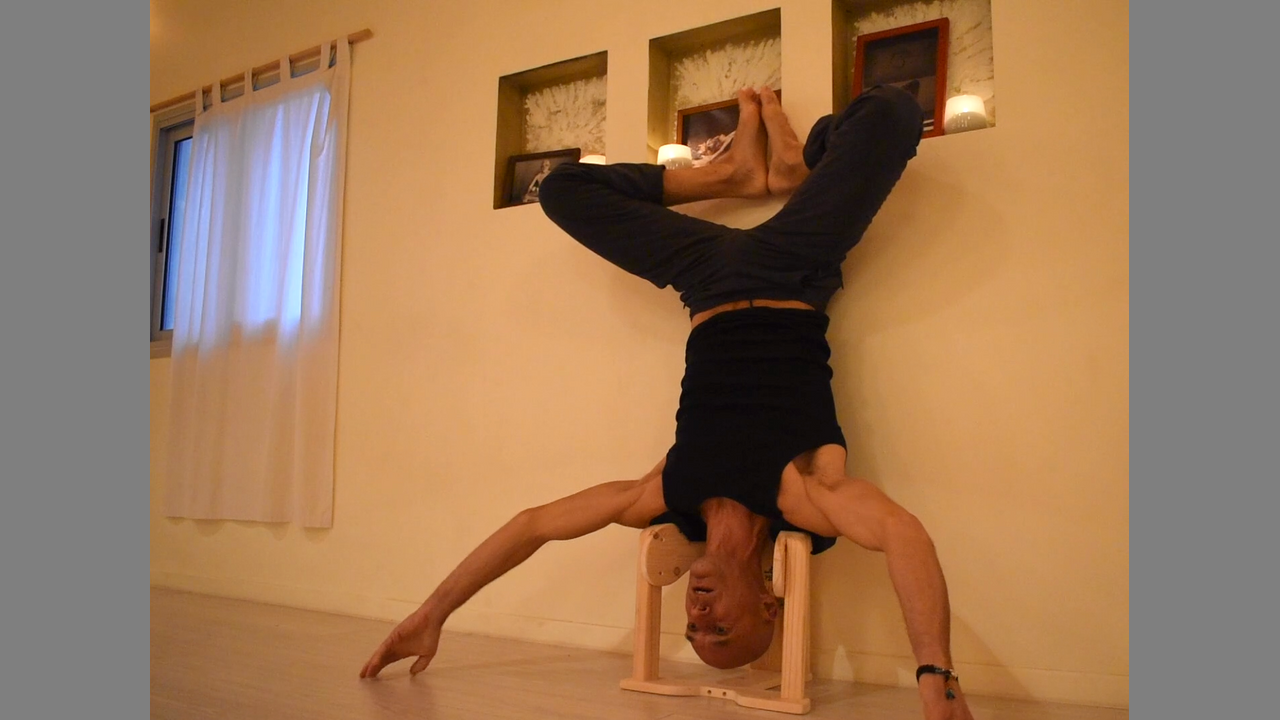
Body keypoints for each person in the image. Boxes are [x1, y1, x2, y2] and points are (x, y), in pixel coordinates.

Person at [361, 85, 974, 720]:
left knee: (564, 188)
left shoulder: (666, 494)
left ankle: (729, 174)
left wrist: (432, 613)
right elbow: (902, 534)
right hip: (795, 268)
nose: (700, 614)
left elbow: (533, 525)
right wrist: (937, 673)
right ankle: (801, 162)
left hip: (705, 280)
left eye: (694, 629)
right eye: (721, 629)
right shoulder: (807, 501)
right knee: (892, 112)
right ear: (768, 605)